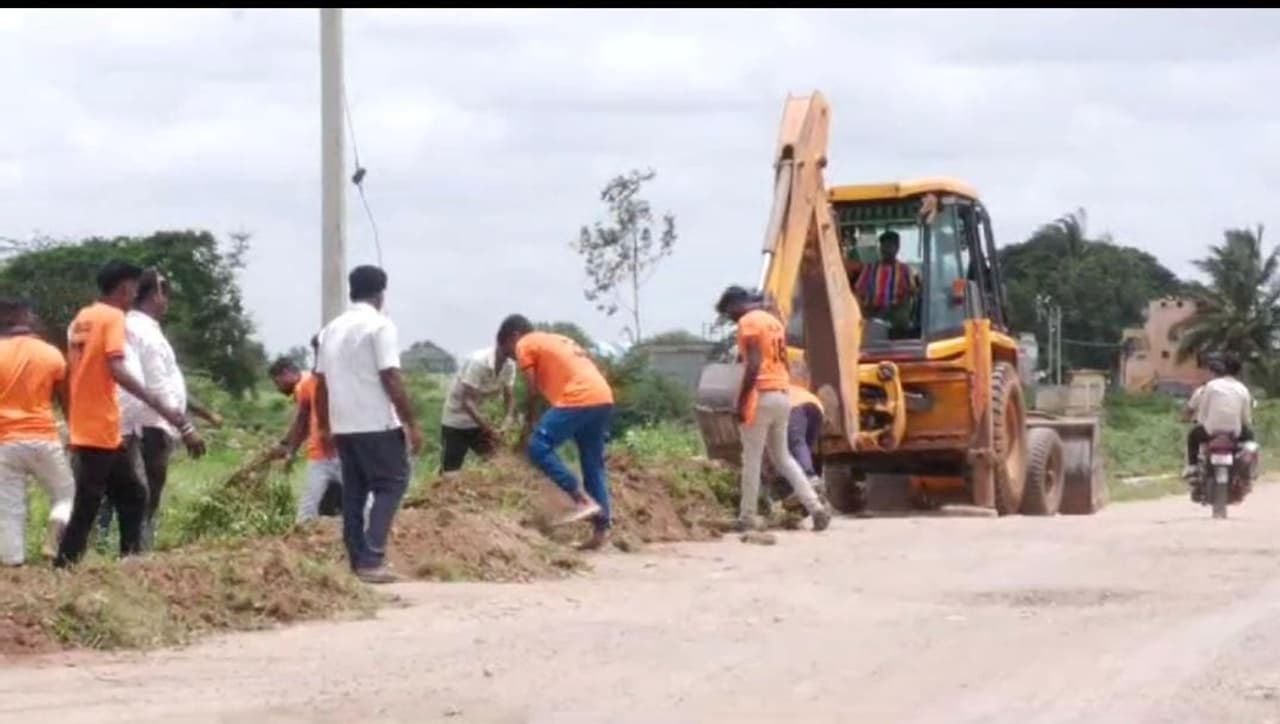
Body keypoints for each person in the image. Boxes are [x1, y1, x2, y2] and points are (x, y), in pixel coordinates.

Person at [55, 260, 205, 568]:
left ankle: (128, 561)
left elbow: (79, 371)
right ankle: (67, 564)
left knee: (131, 494)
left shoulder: (83, 318)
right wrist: (161, 406)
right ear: (125, 287)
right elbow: (116, 367)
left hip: (101, 423)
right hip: (102, 425)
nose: (135, 293)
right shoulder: (112, 318)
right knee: (91, 499)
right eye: (134, 287)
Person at [99, 269, 222, 551]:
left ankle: (117, 546)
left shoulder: (141, 329)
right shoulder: (143, 332)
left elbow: (169, 384)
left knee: (123, 489)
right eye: (164, 294)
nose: (167, 302)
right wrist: (186, 427)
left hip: (145, 421)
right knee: (143, 493)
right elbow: (156, 386)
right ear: (155, 295)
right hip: (150, 424)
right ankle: (138, 549)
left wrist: (201, 414)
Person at [314, 265, 423, 584]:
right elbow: (390, 375)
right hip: (375, 422)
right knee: (393, 483)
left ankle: (356, 558)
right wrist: (411, 422)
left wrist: (324, 426)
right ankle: (372, 558)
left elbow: (319, 383)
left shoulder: (330, 329)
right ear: (380, 294)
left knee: (355, 492)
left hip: (343, 425)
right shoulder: (380, 326)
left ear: (352, 291)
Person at [714, 285, 831, 533]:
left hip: (761, 395)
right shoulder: (773, 322)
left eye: (728, 312)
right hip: (782, 394)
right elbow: (784, 361)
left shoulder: (748, 322)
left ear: (736, 304)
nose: (731, 318)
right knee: (783, 457)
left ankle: (747, 516)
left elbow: (754, 364)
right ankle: (816, 508)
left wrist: (741, 400)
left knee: (752, 459)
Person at [496, 315, 614, 550]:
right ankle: (601, 530)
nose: (513, 358)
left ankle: (580, 497)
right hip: (602, 395)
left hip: (579, 397)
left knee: (537, 446)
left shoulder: (525, 343)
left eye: (509, 352)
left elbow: (531, 389)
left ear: (514, 336)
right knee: (592, 463)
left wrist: (528, 426)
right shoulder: (557, 339)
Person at [0, 298, 76, 565]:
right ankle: (52, 540)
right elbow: (67, 401)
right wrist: (74, 434)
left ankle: (13, 564)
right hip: (43, 437)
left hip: (5, 442)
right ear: (24, 318)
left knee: (10, 507)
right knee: (65, 493)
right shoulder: (51, 354)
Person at [268, 355, 344, 522]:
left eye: (277, 382)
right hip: (337, 447)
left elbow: (301, 422)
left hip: (325, 450)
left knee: (311, 507)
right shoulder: (312, 380)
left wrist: (288, 448)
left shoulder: (303, 385)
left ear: (286, 373)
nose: (278, 388)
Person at [439, 344, 517, 475]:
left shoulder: (510, 365)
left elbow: (509, 396)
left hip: (480, 421)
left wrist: (507, 421)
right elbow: (467, 402)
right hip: (456, 423)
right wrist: (490, 430)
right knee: (450, 474)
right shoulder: (478, 362)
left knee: (499, 463)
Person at [1182, 352, 1254, 480]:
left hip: (1211, 431)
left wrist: (1201, 422)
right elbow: (1245, 418)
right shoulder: (1243, 389)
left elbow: (1204, 411)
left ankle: (1192, 467)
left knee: (1192, 436)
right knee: (1250, 439)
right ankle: (1248, 469)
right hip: (1234, 432)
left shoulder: (1210, 386)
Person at [854, 230, 919, 331]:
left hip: (895, 316)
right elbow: (858, 291)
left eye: (889, 246)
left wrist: (899, 306)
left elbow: (912, 293)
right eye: (883, 246)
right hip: (872, 314)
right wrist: (863, 309)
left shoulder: (904, 269)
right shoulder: (870, 268)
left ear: (897, 248)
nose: (886, 250)